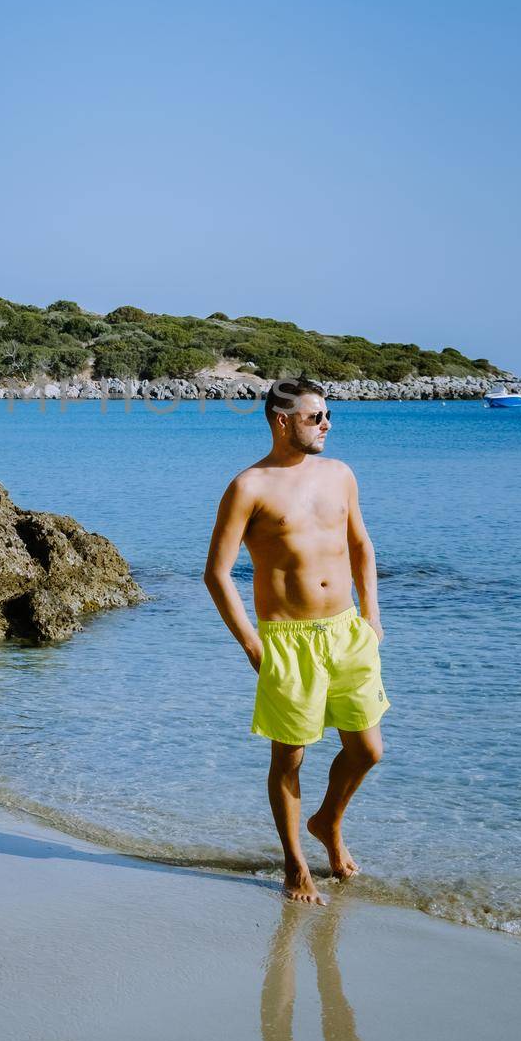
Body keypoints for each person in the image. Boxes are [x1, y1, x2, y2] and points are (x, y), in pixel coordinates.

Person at [203, 377, 390, 904]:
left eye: (329, 415)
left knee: (368, 750)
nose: (327, 425)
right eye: (315, 418)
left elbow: (361, 545)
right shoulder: (249, 487)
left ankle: (327, 820)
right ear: (282, 421)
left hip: (347, 630)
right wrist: (251, 644)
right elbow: (217, 574)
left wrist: (372, 614)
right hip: (286, 639)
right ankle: (295, 865)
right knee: (290, 758)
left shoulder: (340, 475)